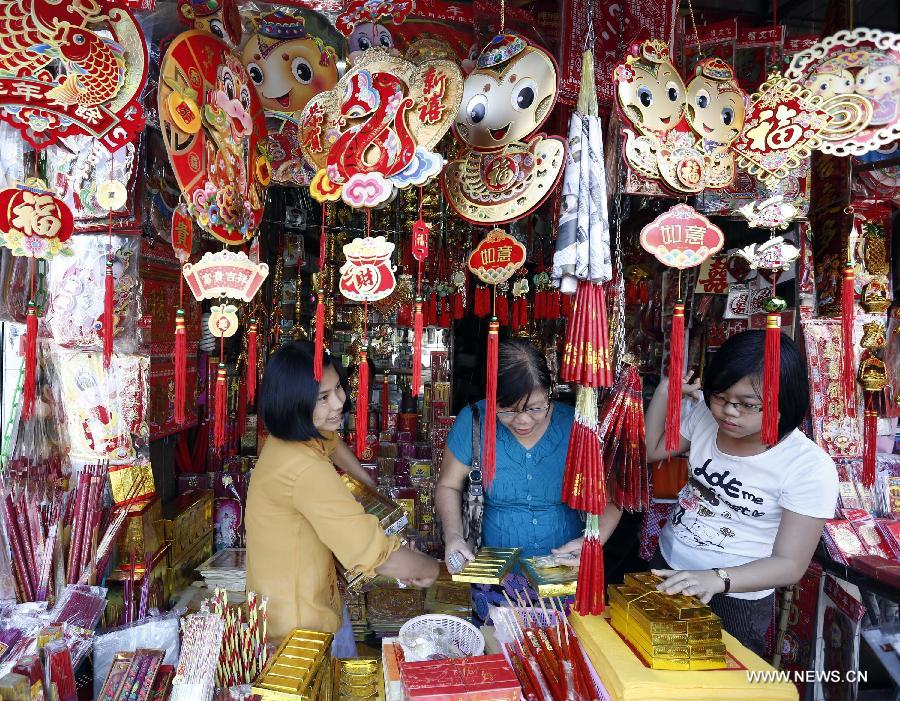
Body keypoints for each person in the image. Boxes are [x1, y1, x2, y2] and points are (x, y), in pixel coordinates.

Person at [644, 330, 838, 655]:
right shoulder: (706, 419)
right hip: (667, 564)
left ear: (783, 402)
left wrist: (715, 579)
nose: (729, 412)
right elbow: (651, 450)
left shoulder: (809, 466)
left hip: (734, 599)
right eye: (720, 397)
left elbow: (790, 564)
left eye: (747, 405)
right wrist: (666, 391)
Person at [246, 342, 439, 643]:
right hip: (301, 632)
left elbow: (333, 443)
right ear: (294, 405)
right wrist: (431, 569)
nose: (339, 403)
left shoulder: (289, 440)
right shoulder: (305, 469)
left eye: (337, 388)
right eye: (323, 397)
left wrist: (371, 490)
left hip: (298, 607)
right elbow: (375, 555)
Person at [437, 339, 622, 616]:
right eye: (508, 409)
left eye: (535, 408)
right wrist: (453, 536)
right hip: (497, 579)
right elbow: (449, 485)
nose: (523, 421)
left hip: (566, 574)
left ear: (550, 393)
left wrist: (592, 544)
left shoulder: (577, 425)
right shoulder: (474, 421)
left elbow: (612, 497)